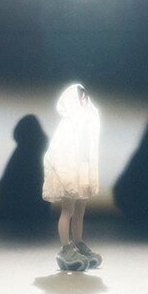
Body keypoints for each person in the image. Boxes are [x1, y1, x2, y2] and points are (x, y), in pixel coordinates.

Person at [43, 84, 102, 271]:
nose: (85, 102)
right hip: (69, 172)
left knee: (79, 211)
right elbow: (57, 151)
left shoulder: (88, 123)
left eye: (85, 98)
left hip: (83, 170)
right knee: (67, 211)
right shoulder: (67, 125)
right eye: (81, 98)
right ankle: (66, 248)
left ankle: (78, 243)